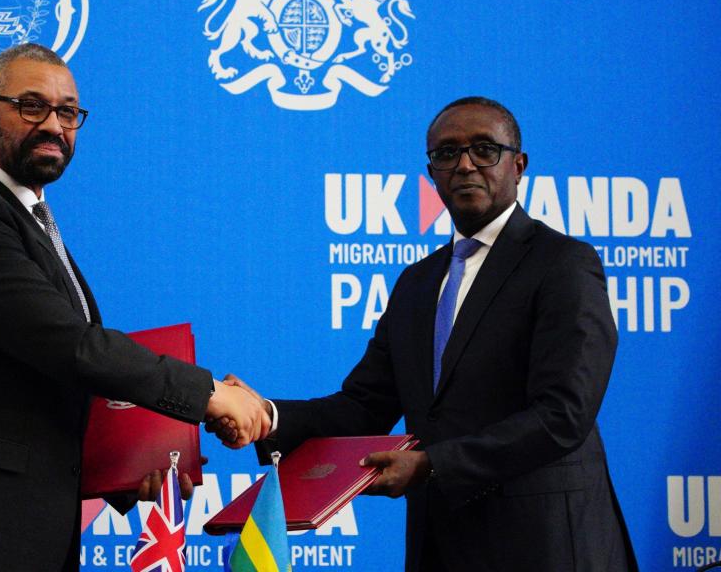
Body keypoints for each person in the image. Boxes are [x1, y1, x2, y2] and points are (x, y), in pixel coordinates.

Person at [0, 43, 270, 572]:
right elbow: (69, 346)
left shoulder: (27, 217)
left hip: (21, 531)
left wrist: (132, 463)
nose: (53, 124)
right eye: (30, 106)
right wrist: (206, 393)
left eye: (67, 112)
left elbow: (45, 380)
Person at [210, 97, 638, 571]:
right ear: (431, 172)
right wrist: (267, 417)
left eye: (484, 149)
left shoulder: (562, 264)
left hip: (545, 543)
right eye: (447, 153)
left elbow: (563, 414)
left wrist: (433, 464)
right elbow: (363, 407)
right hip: (443, 542)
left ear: (519, 166)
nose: (466, 164)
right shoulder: (417, 282)